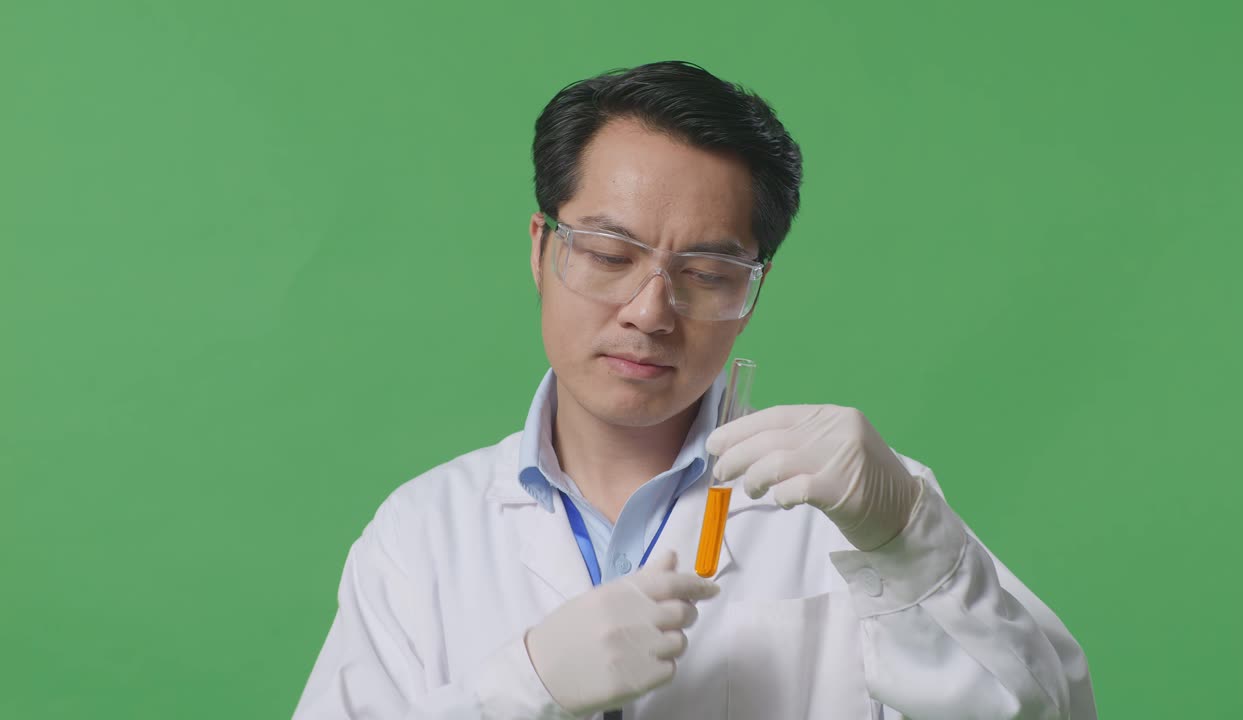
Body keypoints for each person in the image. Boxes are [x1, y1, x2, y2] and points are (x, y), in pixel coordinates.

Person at [294, 61, 1097, 720]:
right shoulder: (423, 535)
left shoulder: (858, 514)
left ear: (752, 290)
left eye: (708, 274)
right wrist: (521, 686)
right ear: (543, 251)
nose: (649, 312)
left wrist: (907, 539)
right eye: (610, 254)